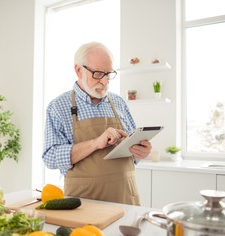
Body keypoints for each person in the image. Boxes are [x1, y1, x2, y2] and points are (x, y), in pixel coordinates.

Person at [42, 42, 152, 205]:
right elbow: (50, 158)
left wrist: (140, 152)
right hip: (83, 201)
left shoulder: (119, 102)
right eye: (99, 73)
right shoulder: (58, 106)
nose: (105, 81)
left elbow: (132, 151)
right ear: (79, 70)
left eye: (109, 74)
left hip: (125, 198)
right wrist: (95, 143)